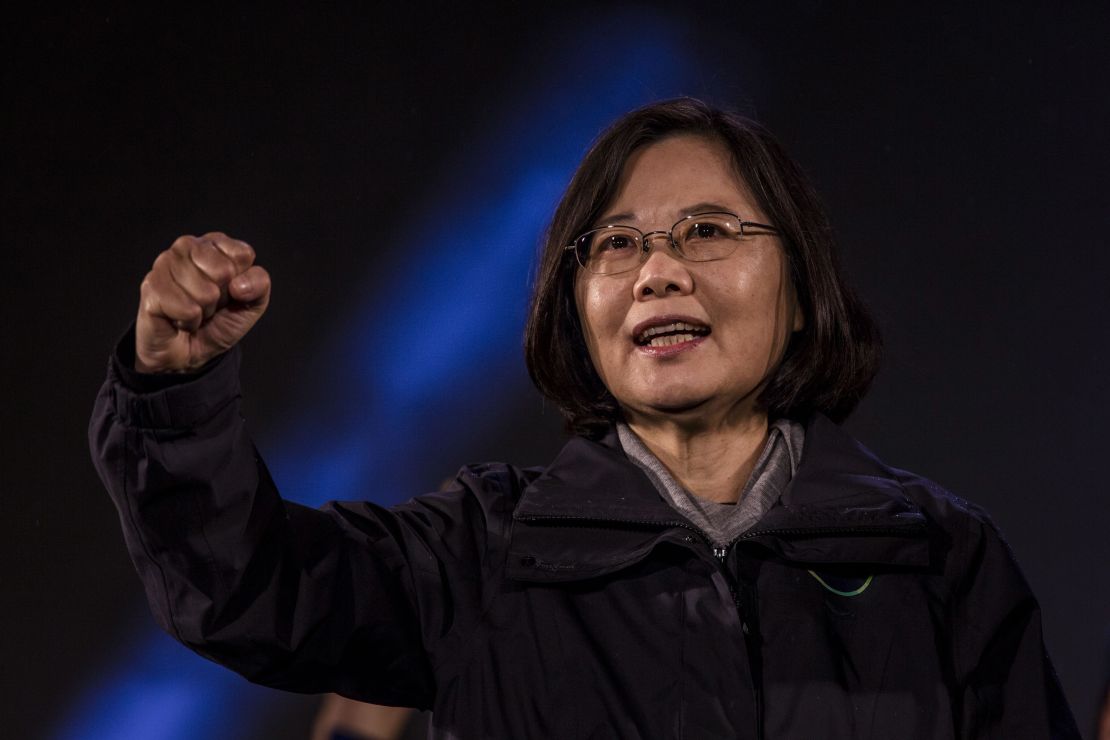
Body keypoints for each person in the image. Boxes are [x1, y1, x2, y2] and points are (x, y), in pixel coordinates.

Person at [90, 98, 1080, 738]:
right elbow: (240, 583)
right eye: (615, 243)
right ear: (579, 307)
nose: (658, 267)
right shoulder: (476, 557)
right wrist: (174, 388)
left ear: (803, 282)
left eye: (707, 230)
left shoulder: (940, 560)